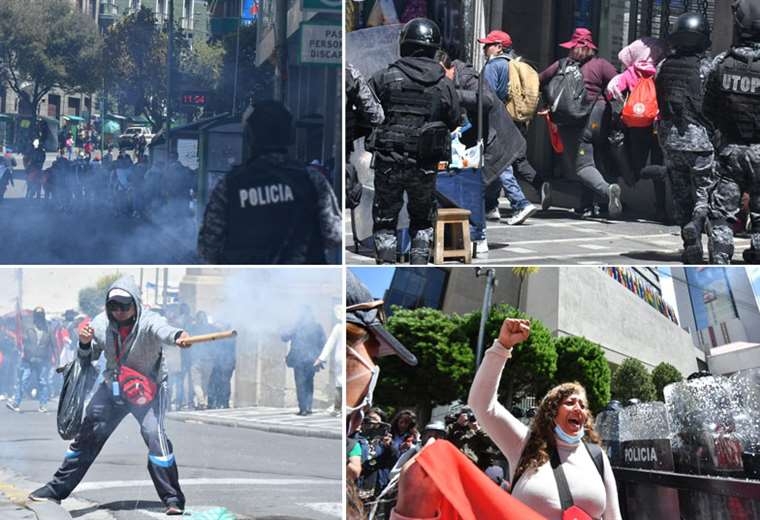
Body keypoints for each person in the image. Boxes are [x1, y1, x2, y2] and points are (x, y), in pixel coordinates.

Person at [28, 276, 191, 515]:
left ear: (136, 304)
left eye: (125, 305)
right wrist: (84, 343)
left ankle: (173, 499)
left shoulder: (149, 320)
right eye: (114, 305)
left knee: (154, 435)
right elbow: (87, 358)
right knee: (87, 435)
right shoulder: (100, 323)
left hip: (148, 389)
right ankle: (55, 490)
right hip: (113, 386)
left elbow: (165, 330)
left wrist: (179, 336)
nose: (120, 311)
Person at [468, 318, 621, 519]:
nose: (579, 409)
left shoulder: (597, 457)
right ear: (551, 412)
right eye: (570, 403)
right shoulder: (525, 444)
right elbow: (481, 404)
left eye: (583, 406)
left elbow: (613, 516)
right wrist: (502, 346)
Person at [197, 100, 342, 264]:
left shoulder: (229, 185)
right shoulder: (312, 180)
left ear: (249, 136)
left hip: (247, 282)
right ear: (290, 135)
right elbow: (334, 234)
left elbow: (208, 247)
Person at [368, 17, 461, 264]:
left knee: (386, 220)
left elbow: (364, 114)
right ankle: (419, 260)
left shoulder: (384, 78)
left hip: (388, 162)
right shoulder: (444, 84)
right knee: (422, 220)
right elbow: (453, 120)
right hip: (425, 165)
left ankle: (386, 261)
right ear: (434, 50)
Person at [437, 51, 528, 253]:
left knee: (473, 187)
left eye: (442, 73)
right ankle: (476, 232)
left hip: (496, 139)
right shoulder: (451, 80)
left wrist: (454, 95)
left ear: (449, 68)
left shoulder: (466, 75)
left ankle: (478, 237)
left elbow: (485, 99)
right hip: (481, 140)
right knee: (474, 186)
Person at [539, 28, 622, 218]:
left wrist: (546, 103)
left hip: (574, 123)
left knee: (582, 166)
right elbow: (619, 84)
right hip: (599, 119)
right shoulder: (601, 65)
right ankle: (586, 205)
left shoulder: (561, 65)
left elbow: (539, 79)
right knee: (594, 160)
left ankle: (607, 191)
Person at [655, 12, 716, 263]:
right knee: (706, 192)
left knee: (681, 194)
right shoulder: (707, 68)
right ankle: (697, 221)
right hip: (701, 140)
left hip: (670, 140)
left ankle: (690, 244)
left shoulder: (663, 65)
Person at [703, 0, 760, 264]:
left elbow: (708, 109)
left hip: (729, 152)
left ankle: (721, 264)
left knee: (721, 215)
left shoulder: (720, 64)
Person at [479, 30, 551, 223]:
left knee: (501, 163)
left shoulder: (493, 67)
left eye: (488, 45)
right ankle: (490, 205)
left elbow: (487, 97)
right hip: (515, 121)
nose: (484, 48)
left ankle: (520, 203)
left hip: (497, 121)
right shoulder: (514, 66)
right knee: (498, 161)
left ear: (499, 47)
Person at [607, 37, 670, 224]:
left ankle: (657, 173)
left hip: (637, 127)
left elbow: (613, 91)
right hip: (658, 126)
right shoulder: (662, 70)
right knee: (657, 159)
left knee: (636, 167)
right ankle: (661, 209)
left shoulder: (630, 73)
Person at [6, 307, 54, 413]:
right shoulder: (28, 328)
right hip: (28, 360)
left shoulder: (48, 329)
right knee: (23, 380)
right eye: (37, 316)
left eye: (41, 316)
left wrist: (57, 359)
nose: (39, 318)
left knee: (43, 382)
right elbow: (22, 341)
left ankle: (43, 405)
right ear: (34, 317)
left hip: (42, 360)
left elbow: (54, 345)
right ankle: (15, 402)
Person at [281, 306, 326, 416]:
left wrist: (283, 326)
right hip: (311, 359)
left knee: (301, 384)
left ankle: (303, 408)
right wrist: (318, 356)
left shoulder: (297, 326)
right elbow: (323, 342)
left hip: (300, 359)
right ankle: (308, 407)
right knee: (309, 383)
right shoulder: (317, 326)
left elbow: (284, 337)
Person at [315, 304, 344, 415]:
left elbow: (330, 343)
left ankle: (337, 408)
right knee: (341, 383)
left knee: (339, 383)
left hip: (340, 358)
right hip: (346, 357)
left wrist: (321, 358)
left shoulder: (339, 327)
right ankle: (338, 407)